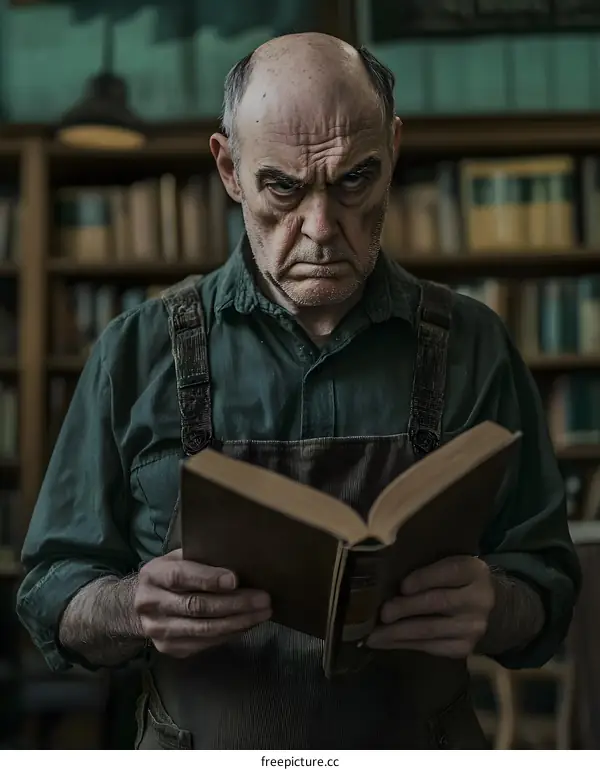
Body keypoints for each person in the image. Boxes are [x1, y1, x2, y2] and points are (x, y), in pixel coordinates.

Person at [17, 33, 580, 750]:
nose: (320, 229)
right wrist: (129, 607)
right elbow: (48, 594)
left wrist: (499, 606)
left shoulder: (476, 346)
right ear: (228, 168)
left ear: (394, 149)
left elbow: (550, 590)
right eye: (282, 186)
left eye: (354, 181)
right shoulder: (136, 353)